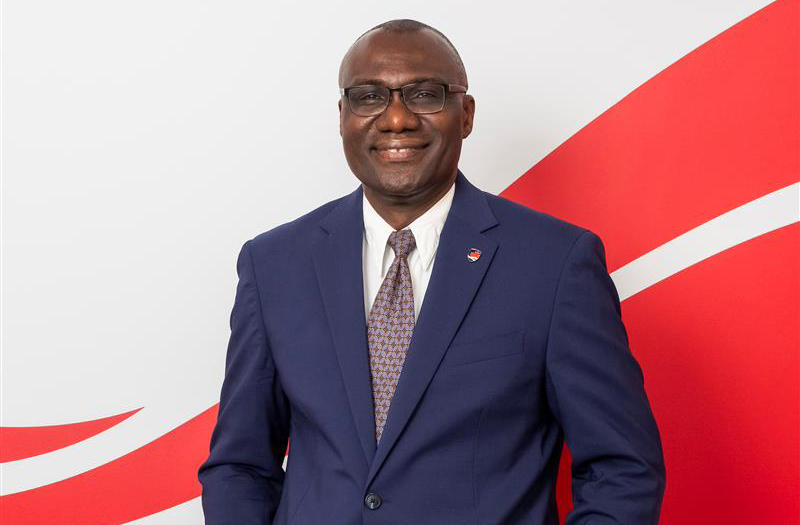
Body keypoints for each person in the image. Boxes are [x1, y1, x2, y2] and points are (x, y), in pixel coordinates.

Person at [198, 18, 666, 525]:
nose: (396, 119)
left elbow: (622, 469)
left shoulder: (555, 263)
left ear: (465, 114)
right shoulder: (274, 266)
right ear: (342, 116)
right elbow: (240, 466)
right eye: (369, 96)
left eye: (424, 95)